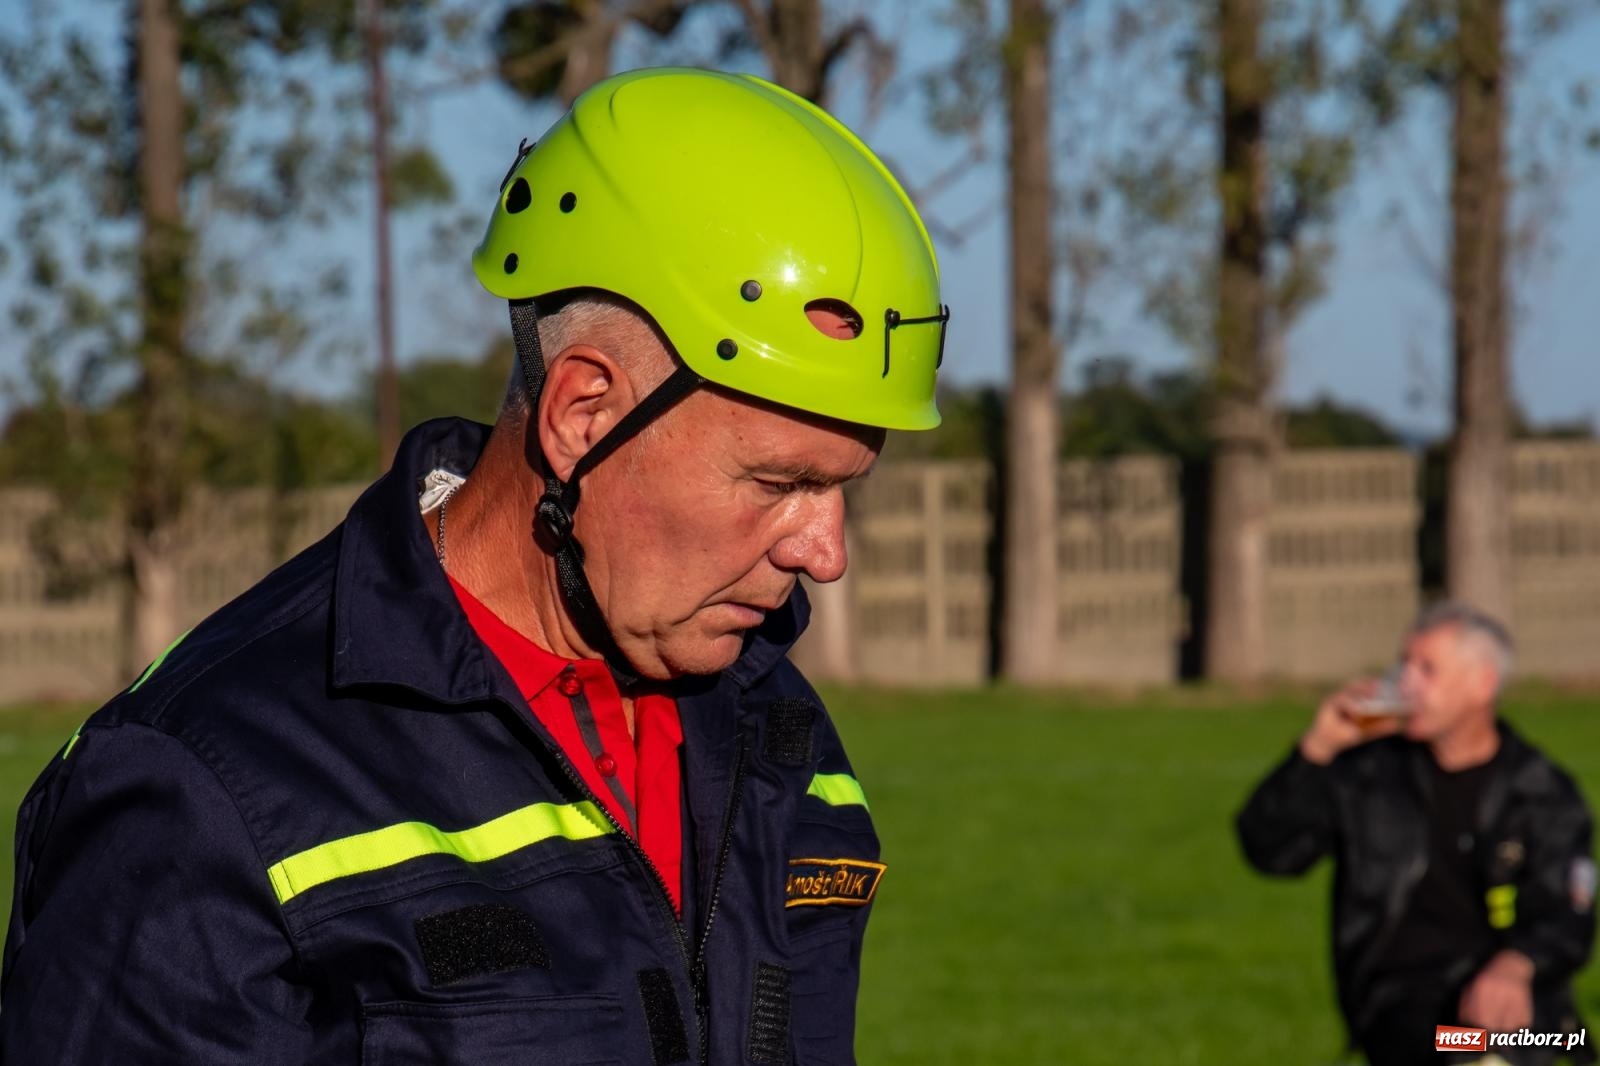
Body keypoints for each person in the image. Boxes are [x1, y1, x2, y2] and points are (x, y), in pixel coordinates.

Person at [0, 68, 949, 1063]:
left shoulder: (777, 727)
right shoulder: (206, 784)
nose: (825, 552)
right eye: (777, 481)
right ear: (586, 414)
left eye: (846, 488)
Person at [1236, 601, 1596, 1066]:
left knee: (1560, 1046)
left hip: (1520, 1011)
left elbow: (1568, 917)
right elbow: (1271, 850)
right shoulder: (1370, 776)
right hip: (1409, 1015)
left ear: (1481, 683)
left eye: (1428, 670)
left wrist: (1514, 967)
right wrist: (1318, 747)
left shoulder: (1541, 794)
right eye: (1404, 665)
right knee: (1473, 1051)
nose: (1407, 683)